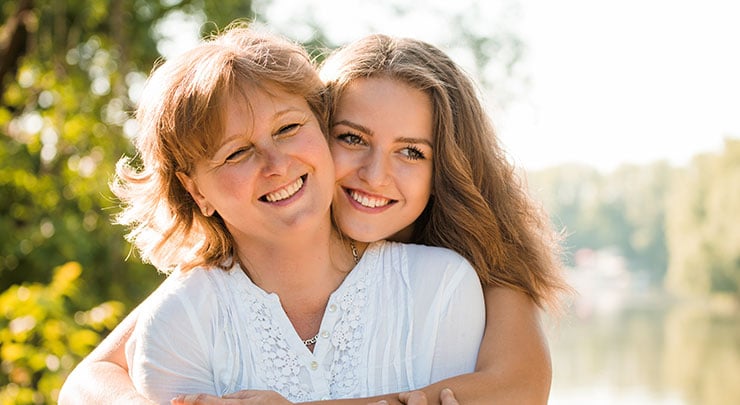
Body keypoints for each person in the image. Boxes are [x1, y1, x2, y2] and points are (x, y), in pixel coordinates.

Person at [59, 29, 569, 405]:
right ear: (324, 129)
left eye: (411, 152)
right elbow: (92, 376)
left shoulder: (465, 272)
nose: (374, 174)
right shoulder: (201, 301)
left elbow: (518, 389)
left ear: (448, 170)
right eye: (352, 138)